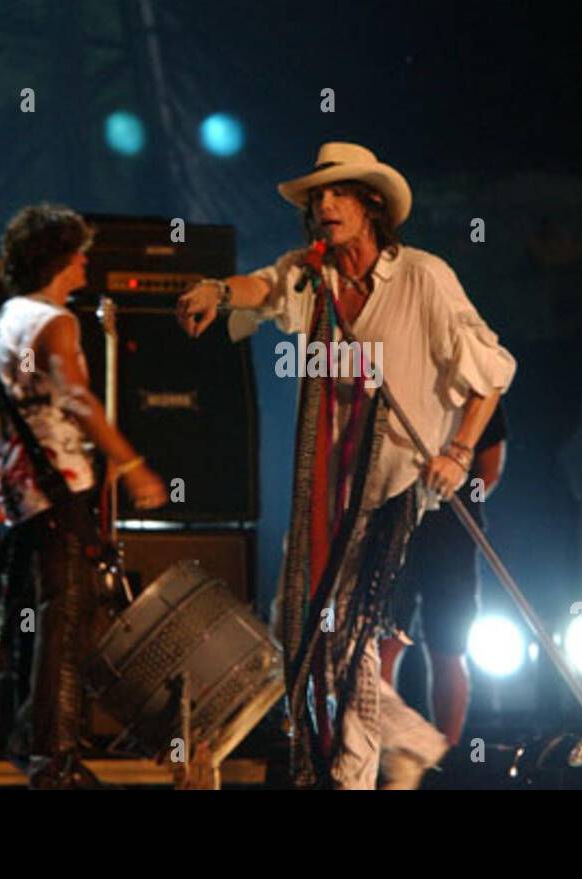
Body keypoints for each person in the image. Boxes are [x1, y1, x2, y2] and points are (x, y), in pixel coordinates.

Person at [175, 142, 517, 789]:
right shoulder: (314, 277)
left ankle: (360, 770)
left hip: (396, 489)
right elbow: (266, 289)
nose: (325, 205)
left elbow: (493, 371)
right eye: (317, 198)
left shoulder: (422, 277)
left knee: (351, 636)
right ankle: (408, 741)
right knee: (300, 630)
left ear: (372, 206)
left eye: (339, 194)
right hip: (326, 493)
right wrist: (218, 290)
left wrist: (459, 450)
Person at [0, 204, 167, 788]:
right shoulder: (54, 322)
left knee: (54, 621)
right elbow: (77, 398)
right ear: (60, 260)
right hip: (57, 494)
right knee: (69, 623)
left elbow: (35, 406)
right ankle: (52, 760)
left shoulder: (7, 319)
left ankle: (35, 740)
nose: (86, 260)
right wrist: (132, 464)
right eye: (78, 251)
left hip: (25, 495)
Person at [381, 401, 507, 748]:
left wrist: (462, 497)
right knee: (384, 640)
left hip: (452, 534)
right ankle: (384, 751)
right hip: (397, 524)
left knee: (449, 646)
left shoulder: (480, 384)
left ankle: (444, 757)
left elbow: (490, 468)